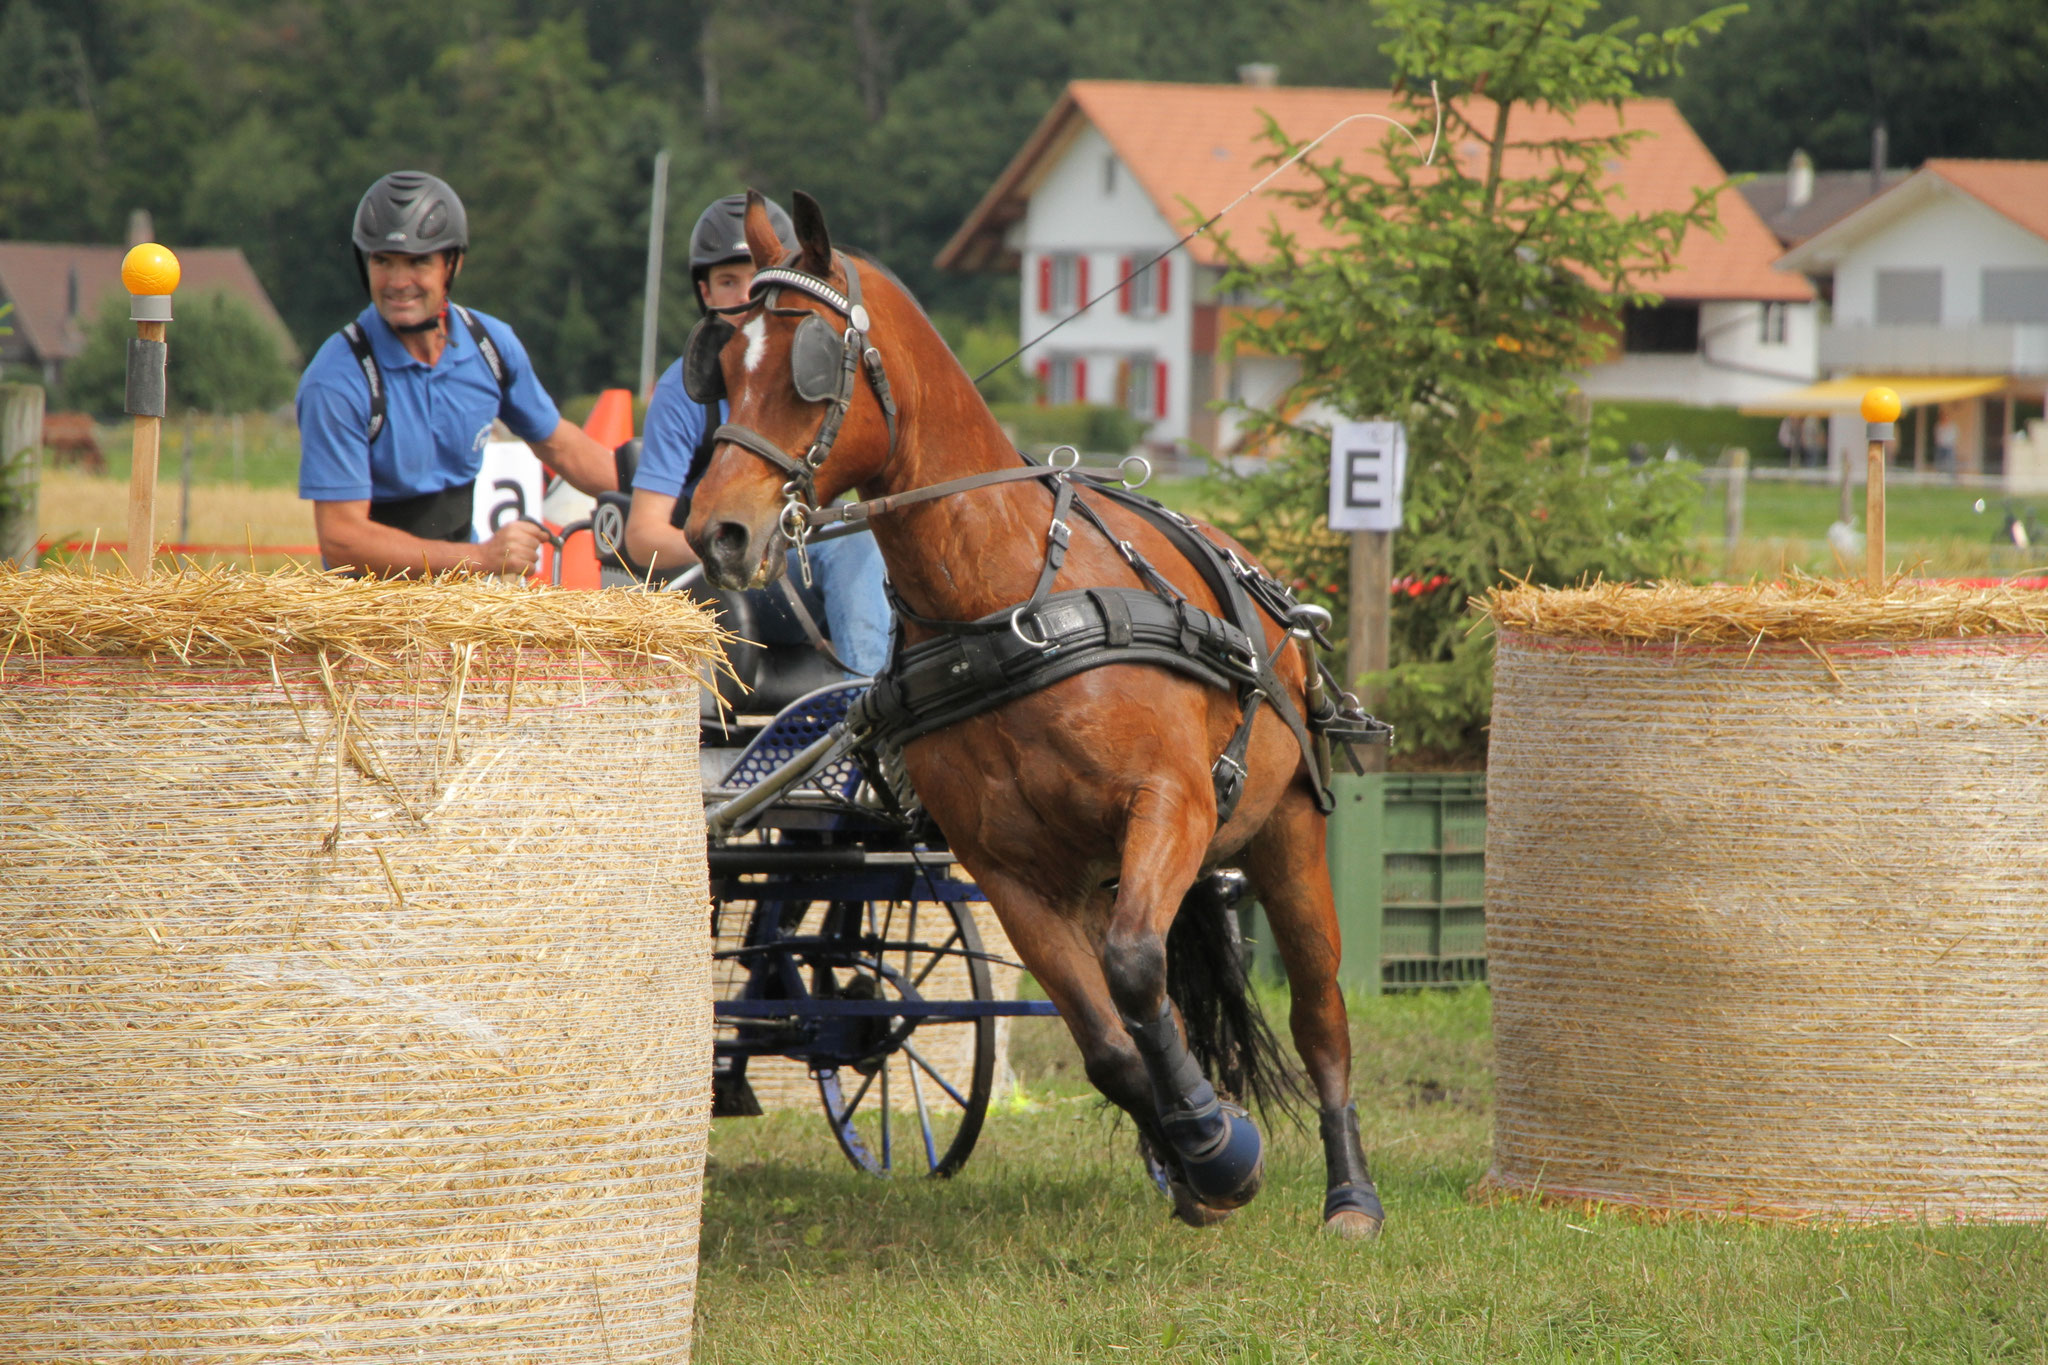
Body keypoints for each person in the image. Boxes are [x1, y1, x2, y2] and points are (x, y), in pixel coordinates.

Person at [297, 171, 621, 577]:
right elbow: (342, 539)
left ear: (453, 263)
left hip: (456, 606)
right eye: (383, 261)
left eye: (418, 262)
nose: (398, 282)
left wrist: (666, 501)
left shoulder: (490, 345)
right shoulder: (337, 378)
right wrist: (480, 559)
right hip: (369, 612)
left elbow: (564, 448)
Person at [623, 192, 892, 678]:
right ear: (704, 293)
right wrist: (734, 542)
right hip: (729, 585)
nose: (746, 295)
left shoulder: (811, 379)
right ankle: (863, 705)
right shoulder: (683, 389)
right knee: (855, 549)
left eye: (756, 278)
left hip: (812, 573)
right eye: (728, 281)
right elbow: (642, 537)